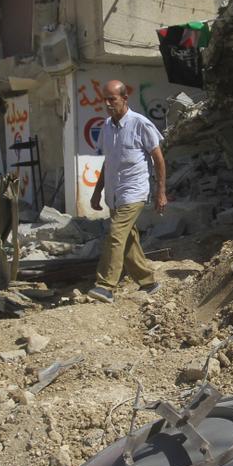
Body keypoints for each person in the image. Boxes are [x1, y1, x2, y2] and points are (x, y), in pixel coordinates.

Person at [87, 80, 166, 303]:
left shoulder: (140, 124)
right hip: (114, 193)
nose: (107, 103)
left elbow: (158, 159)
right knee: (128, 239)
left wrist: (161, 191)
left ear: (124, 99)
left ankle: (105, 286)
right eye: (105, 99)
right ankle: (148, 281)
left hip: (134, 191)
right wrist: (96, 192)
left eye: (112, 99)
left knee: (115, 233)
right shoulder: (106, 126)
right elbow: (108, 163)